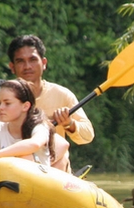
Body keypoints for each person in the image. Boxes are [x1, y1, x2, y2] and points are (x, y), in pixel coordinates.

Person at [7, 35, 94, 172]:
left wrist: (69, 124)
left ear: (44, 63)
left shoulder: (62, 95)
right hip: (15, 167)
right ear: (12, 67)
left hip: (54, 168)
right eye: (20, 61)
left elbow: (87, 135)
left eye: (33, 60)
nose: (27, 66)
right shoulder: (3, 99)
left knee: (62, 157)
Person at [0, 78, 69, 170]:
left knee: (26, 157)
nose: (0, 108)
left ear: (25, 106)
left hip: (37, 184)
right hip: (4, 179)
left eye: (7, 103)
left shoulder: (40, 127)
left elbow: (34, 144)